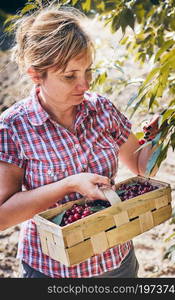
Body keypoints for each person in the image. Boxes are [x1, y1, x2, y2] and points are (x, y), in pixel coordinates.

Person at [0, 4, 159, 278]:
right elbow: (3, 216)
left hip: (116, 260)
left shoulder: (102, 109)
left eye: (88, 71)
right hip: (52, 269)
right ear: (36, 75)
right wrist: (70, 184)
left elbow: (140, 166)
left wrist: (156, 139)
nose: (84, 85)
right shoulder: (13, 127)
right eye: (69, 76)